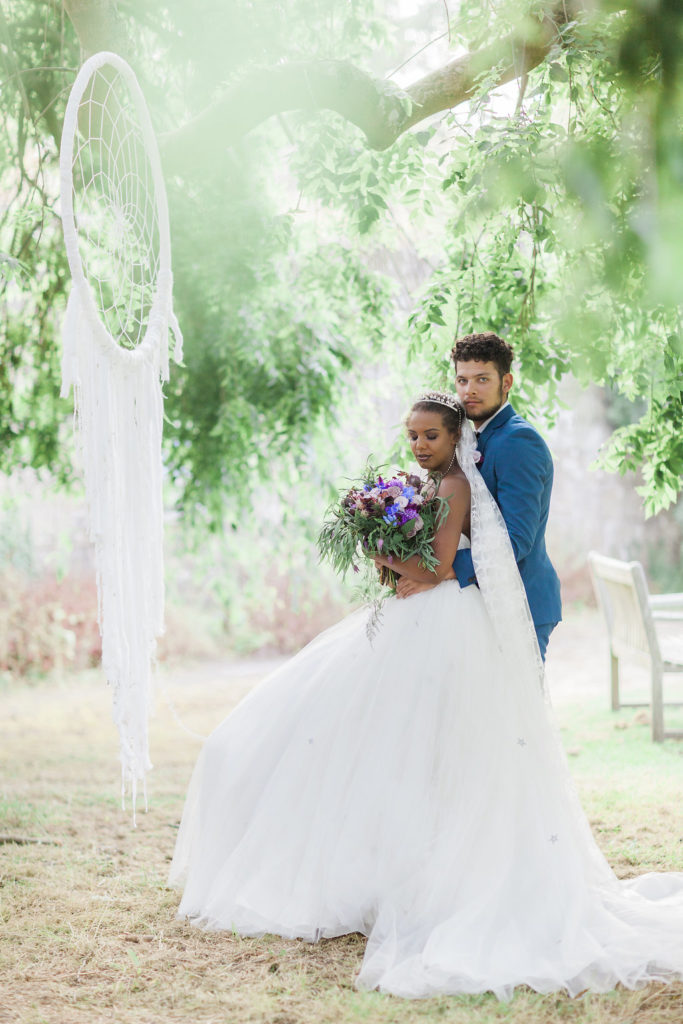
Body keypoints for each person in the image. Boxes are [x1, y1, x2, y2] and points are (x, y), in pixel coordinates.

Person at [169, 393, 683, 1001]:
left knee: (429, 745)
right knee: (377, 744)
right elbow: (414, 567)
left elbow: (438, 567)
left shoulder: (459, 485)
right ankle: (380, 874)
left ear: (453, 436)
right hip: (419, 616)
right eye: (412, 435)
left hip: (445, 619)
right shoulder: (424, 483)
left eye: (430, 436)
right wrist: (387, 547)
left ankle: (431, 881)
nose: (419, 446)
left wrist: (377, 547)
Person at [397, 332, 561, 661]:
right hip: (478, 602)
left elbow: (516, 540)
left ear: (507, 381)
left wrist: (439, 573)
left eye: (482, 379)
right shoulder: (470, 437)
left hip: (521, 602)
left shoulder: (518, 441)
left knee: (515, 710)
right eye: (462, 379)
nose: (469, 390)